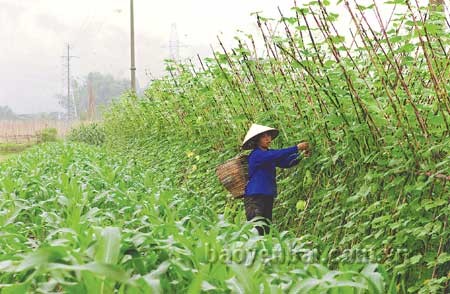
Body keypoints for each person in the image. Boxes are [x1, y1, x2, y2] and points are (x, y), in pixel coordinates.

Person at [241, 123, 310, 236]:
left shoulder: (268, 154)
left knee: (266, 230)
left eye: (268, 135)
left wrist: (301, 155)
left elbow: (286, 162)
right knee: (256, 230)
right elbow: (276, 155)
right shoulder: (256, 155)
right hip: (255, 199)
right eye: (263, 136)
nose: (268, 138)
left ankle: (264, 253)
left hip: (267, 197)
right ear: (257, 140)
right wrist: (296, 148)